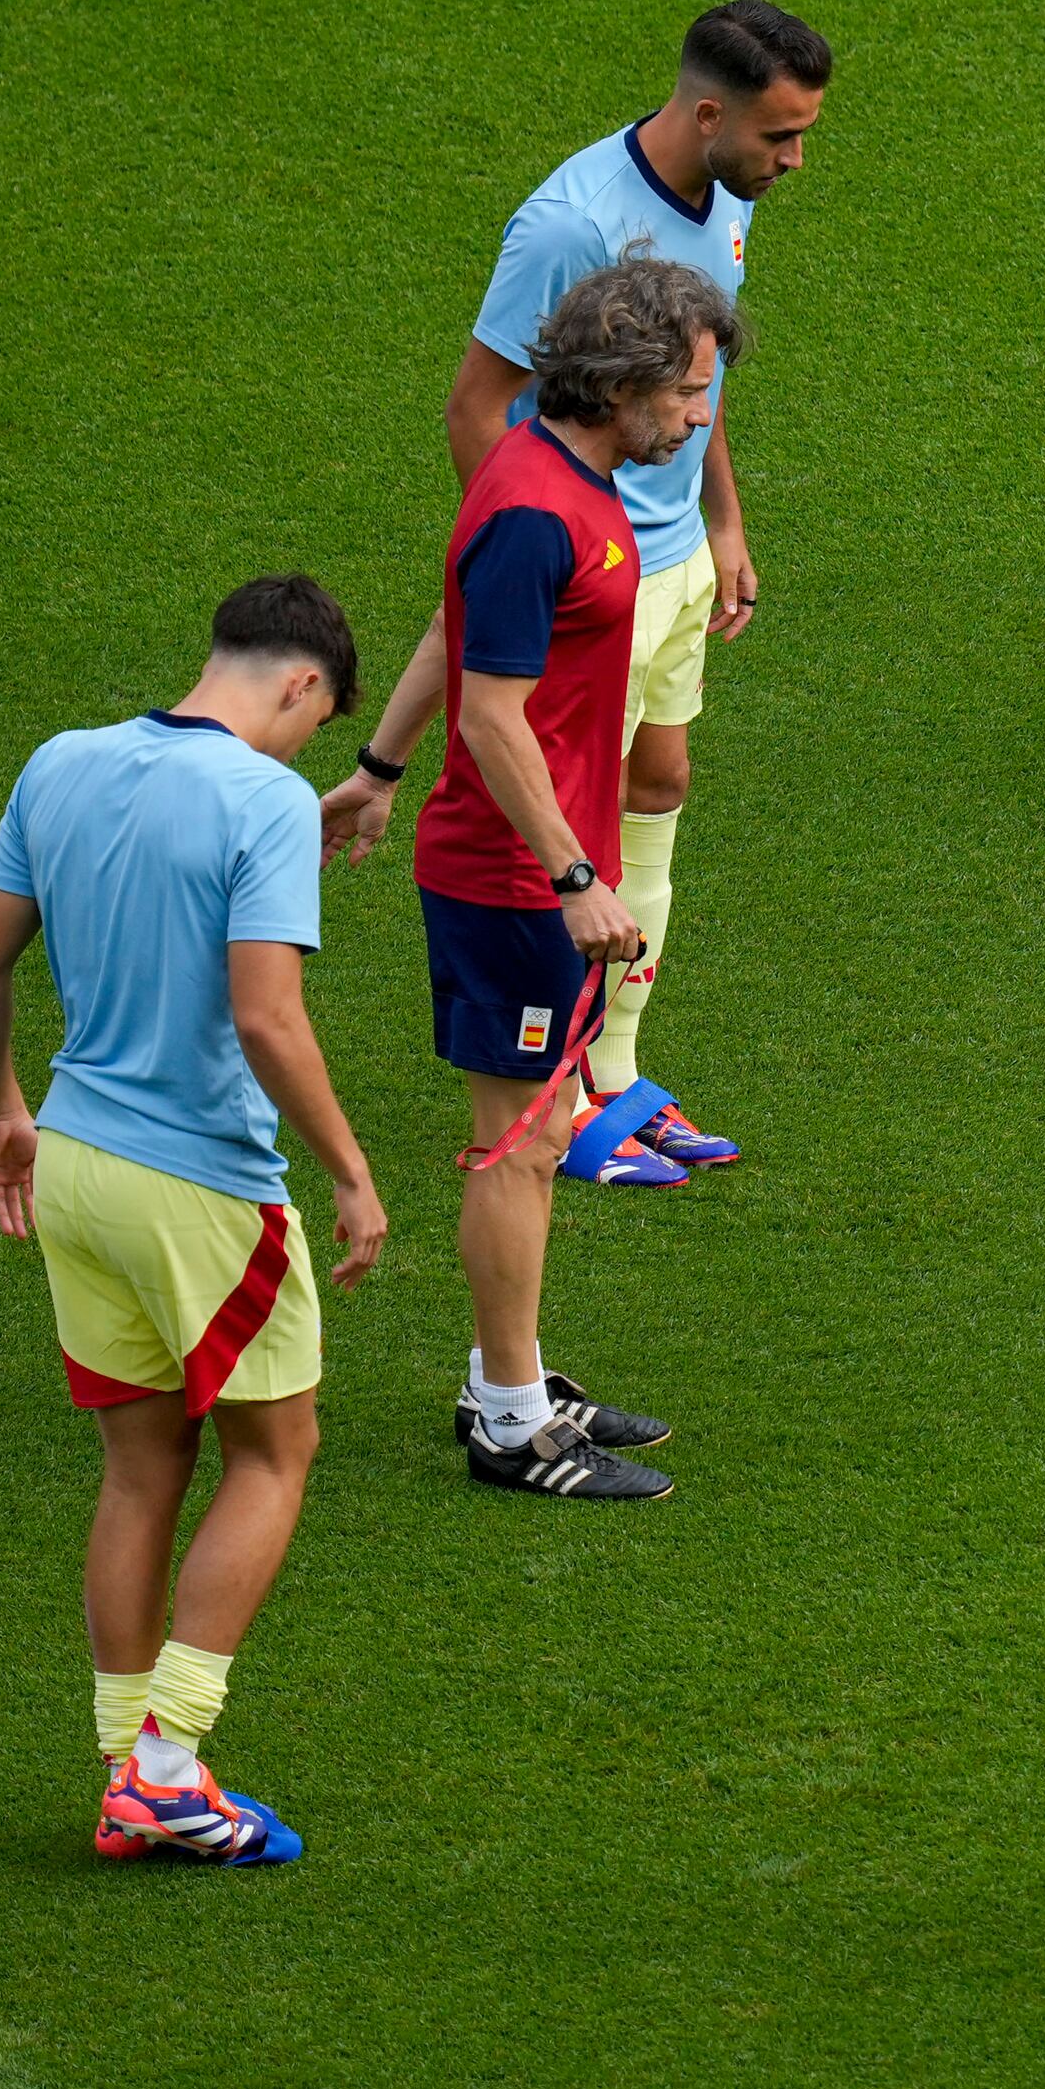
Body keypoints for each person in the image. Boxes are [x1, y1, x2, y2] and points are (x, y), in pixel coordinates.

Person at [0, 576, 393, 1861]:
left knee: (142, 1468)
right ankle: (169, 1764)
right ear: (304, 685)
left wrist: (1, 1110)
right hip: (198, 1185)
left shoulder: (63, 761)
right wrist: (353, 1173)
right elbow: (266, 1018)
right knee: (276, 1452)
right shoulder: (259, 799)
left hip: (75, 1164)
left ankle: (127, 1769)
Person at [334, 258, 735, 1499]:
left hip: (541, 869)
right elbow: (496, 713)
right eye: (687, 394)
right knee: (517, 1147)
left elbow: (457, 633)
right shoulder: (532, 510)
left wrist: (374, 764)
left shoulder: (571, 481)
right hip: (513, 881)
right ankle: (509, 1422)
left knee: (543, 1127)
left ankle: (507, 1374)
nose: (699, 418)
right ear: (619, 385)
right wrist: (569, 870)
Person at [435, 0, 830, 1183]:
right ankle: (560, 1090)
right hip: (588, 574)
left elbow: (688, 379)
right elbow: (474, 404)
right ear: (710, 113)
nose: (792, 161)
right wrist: (537, 558)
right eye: (779, 136)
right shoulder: (571, 228)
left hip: (673, 560)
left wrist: (724, 518)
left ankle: (616, 1072)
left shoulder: (730, 193)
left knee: (659, 781)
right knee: (571, 828)